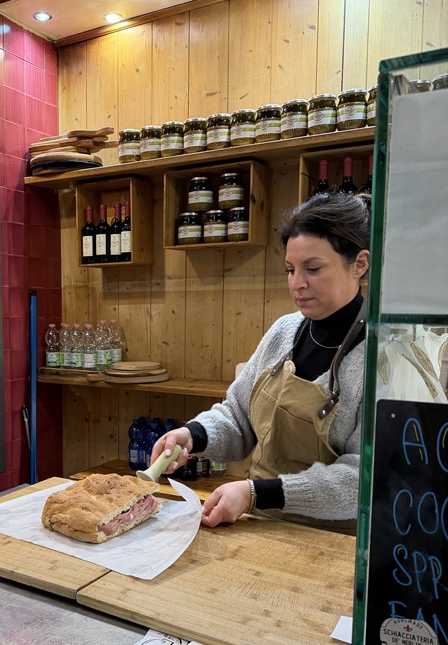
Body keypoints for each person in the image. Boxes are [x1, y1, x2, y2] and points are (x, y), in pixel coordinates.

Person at [151, 191, 370, 531]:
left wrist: (258, 493)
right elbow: (238, 417)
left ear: (359, 264)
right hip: (259, 522)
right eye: (290, 269)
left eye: (312, 268)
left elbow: (363, 481)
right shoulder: (285, 331)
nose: (297, 284)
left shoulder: (382, 356)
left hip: (334, 542)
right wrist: (192, 435)